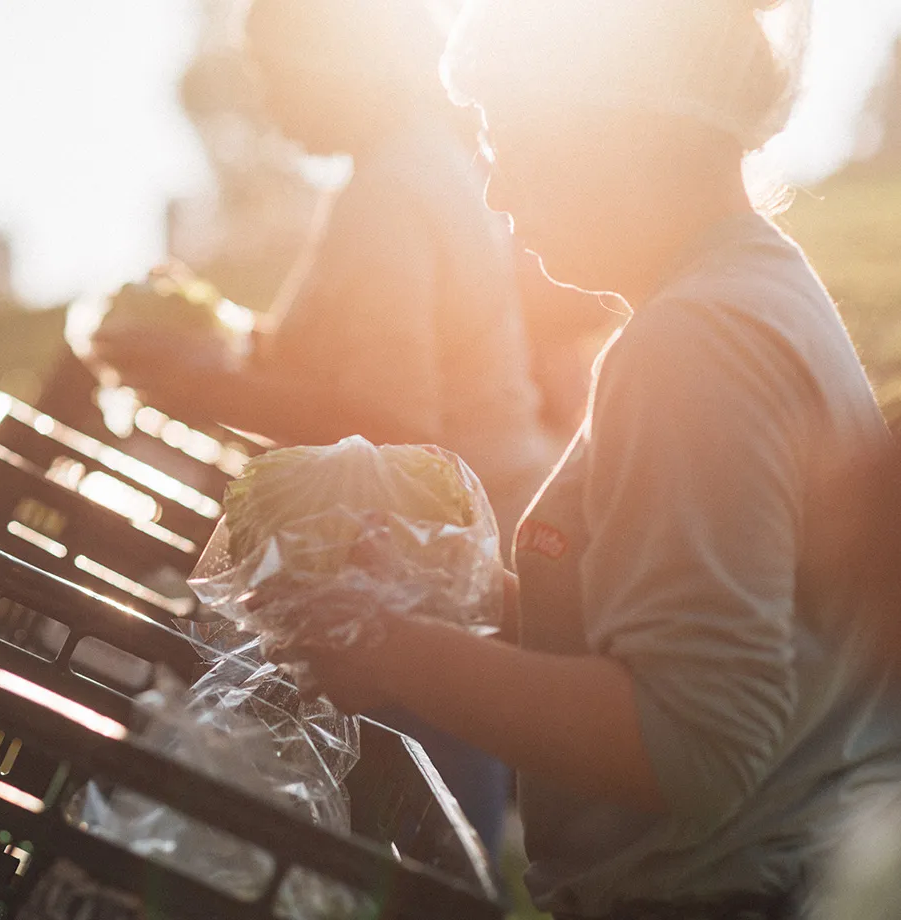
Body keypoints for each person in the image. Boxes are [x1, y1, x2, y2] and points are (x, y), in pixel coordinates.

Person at [260, 1, 901, 918]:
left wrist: (396, 655)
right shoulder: (750, 289)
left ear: (616, 133)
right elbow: (690, 621)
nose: (495, 191)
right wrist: (465, 597)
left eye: (508, 137)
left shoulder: (696, 342)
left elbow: (691, 744)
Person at [93, 0, 558, 854]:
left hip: (420, 587)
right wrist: (222, 343)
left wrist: (205, 382)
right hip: (438, 582)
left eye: (274, 65)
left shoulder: (391, 191)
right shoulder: (415, 163)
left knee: (408, 856)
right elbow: (350, 366)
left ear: (343, 55)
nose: (264, 97)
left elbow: (387, 429)